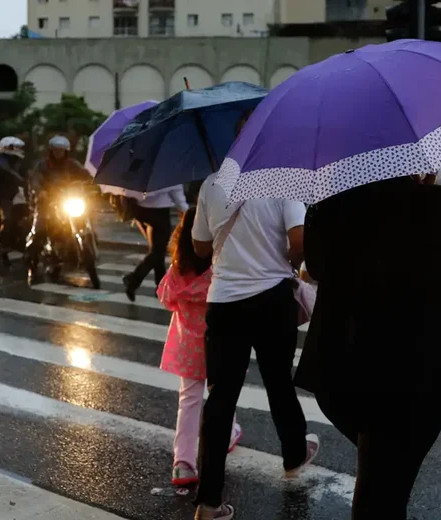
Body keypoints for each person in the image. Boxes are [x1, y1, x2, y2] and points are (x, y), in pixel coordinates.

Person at [294, 175, 441, 520]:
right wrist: (436, 196)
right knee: (384, 488)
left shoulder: (331, 203)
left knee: (380, 472)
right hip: (414, 364)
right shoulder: (424, 200)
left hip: (345, 360)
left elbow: (315, 267)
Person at [190, 125, 320, 519]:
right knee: (279, 381)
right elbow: (299, 240)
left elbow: (198, 247)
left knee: (220, 398)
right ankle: (294, 455)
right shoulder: (285, 180)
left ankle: (208, 501)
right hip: (272, 301)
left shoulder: (212, 183)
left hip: (225, 302)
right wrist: (284, 260)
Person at [157, 207, 242, 488]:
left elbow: (166, 298)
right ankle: (227, 434)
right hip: (218, 344)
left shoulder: (177, 271)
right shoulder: (218, 270)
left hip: (186, 349)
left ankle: (183, 463)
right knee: (222, 396)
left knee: (189, 401)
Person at [25, 135, 91, 269]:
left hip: (66, 200)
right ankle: (31, 253)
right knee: (41, 227)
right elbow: (35, 179)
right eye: (56, 150)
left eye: (61, 151)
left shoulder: (71, 164)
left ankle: (83, 250)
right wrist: (40, 191)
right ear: (51, 151)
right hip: (47, 202)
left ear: (66, 152)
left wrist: (93, 184)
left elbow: (85, 175)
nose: (58, 153)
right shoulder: (43, 165)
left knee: (85, 217)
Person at [122, 185, 188, 302]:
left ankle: (161, 286)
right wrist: (186, 211)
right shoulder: (167, 168)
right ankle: (133, 279)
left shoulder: (143, 167)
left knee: (158, 250)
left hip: (140, 210)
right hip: (159, 212)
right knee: (158, 252)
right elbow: (175, 189)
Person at [0, 136, 27, 271]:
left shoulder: (19, 163)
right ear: (8, 148)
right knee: (8, 219)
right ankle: (2, 249)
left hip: (18, 195)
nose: (20, 150)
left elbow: (29, 177)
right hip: (2, 197)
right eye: (17, 147)